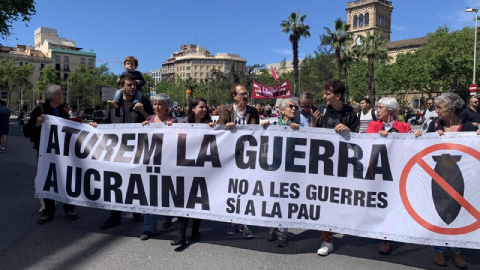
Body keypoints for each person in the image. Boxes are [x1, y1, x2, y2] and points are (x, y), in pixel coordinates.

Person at [415, 93, 471, 269]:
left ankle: (457, 250)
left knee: (459, 213)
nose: (436, 111)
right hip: (438, 177)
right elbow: (423, 146)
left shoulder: (468, 127)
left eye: (440, 108)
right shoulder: (434, 125)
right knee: (439, 212)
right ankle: (439, 250)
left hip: (462, 178)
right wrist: (420, 135)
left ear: (452, 109)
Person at [91, 74, 153, 230]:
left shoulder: (143, 102)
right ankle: (115, 216)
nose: (133, 88)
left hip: (136, 150)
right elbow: (106, 122)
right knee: (115, 183)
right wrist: (95, 125)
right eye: (129, 85)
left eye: (134, 85)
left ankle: (136, 210)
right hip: (116, 151)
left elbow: (154, 120)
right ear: (122, 87)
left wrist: (144, 113)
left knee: (135, 182)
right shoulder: (113, 104)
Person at [311, 79, 359, 256]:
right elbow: (314, 139)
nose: (324, 97)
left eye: (327, 94)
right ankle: (327, 239)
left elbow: (359, 141)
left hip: (344, 165)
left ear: (338, 95)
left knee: (341, 200)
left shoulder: (351, 114)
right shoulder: (323, 113)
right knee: (325, 202)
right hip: (326, 167)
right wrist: (313, 125)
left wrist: (349, 131)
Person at [23, 85, 78, 224]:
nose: (64, 96)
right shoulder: (39, 110)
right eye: (61, 94)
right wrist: (37, 124)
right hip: (45, 153)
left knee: (67, 179)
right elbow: (27, 131)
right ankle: (48, 211)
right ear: (54, 97)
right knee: (48, 180)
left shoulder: (63, 112)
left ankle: (69, 207)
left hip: (64, 154)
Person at [365, 97, 413, 255]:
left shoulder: (404, 127)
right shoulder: (373, 125)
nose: (377, 110)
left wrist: (416, 135)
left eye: (381, 108)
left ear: (391, 111)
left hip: (397, 171)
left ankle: (387, 238)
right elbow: (365, 143)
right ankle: (381, 231)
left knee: (392, 202)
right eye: (377, 107)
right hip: (378, 171)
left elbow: (411, 146)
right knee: (379, 201)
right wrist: (377, 136)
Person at [170, 97, 215, 246]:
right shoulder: (184, 125)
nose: (204, 109)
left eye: (205, 107)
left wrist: (214, 128)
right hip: (186, 169)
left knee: (198, 201)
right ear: (193, 108)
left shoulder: (210, 125)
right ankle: (180, 235)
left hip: (203, 169)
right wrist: (168, 127)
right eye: (201, 107)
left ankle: (195, 231)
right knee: (183, 201)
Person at [217, 83, 259, 238]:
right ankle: (233, 220)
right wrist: (225, 127)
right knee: (233, 189)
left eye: (247, 93)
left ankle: (245, 223)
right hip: (230, 156)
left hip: (248, 156)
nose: (245, 96)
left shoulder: (253, 111)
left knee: (247, 189)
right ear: (234, 96)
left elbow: (257, 132)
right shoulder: (225, 110)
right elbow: (218, 131)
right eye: (242, 94)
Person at [137, 93, 177, 240]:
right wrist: (142, 129)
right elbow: (142, 141)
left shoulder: (173, 121)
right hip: (151, 161)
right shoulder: (149, 120)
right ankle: (149, 228)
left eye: (160, 104)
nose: (157, 107)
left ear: (167, 106)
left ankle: (167, 218)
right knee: (150, 194)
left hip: (166, 162)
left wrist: (172, 129)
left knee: (166, 192)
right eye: (155, 104)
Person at [260, 98, 299, 247]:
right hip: (274, 166)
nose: (294, 109)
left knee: (286, 200)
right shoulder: (273, 125)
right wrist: (263, 127)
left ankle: (283, 231)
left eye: (295, 107)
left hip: (290, 168)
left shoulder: (297, 127)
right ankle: (272, 226)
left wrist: (299, 130)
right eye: (290, 106)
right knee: (273, 198)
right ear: (282, 111)